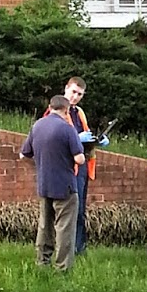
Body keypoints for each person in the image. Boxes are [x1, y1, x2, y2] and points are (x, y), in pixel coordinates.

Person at [19, 94, 85, 270]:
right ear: (66, 110)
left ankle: (42, 262)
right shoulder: (67, 129)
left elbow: (23, 154)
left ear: (50, 107)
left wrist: (39, 165)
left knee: (45, 225)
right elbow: (79, 159)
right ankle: (62, 268)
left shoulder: (37, 125)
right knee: (64, 228)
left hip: (44, 184)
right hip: (65, 186)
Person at [60, 75, 95, 255]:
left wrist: (96, 140)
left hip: (81, 165)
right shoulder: (57, 110)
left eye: (79, 94)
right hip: (66, 166)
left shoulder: (78, 112)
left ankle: (79, 248)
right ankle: (67, 248)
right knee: (69, 210)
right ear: (66, 88)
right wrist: (76, 138)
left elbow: (85, 133)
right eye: (73, 92)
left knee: (80, 209)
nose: (75, 97)